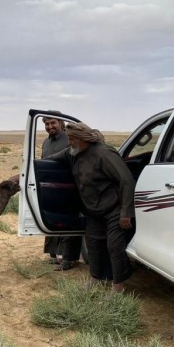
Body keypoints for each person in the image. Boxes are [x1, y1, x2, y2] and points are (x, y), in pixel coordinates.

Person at [46, 122, 135, 292]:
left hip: (114, 209)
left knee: (114, 246)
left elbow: (126, 180)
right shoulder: (73, 154)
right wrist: (26, 170)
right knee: (93, 244)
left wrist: (126, 212)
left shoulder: (104, 153)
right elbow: (50, 160)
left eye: (71, 139)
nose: (68, 142)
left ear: (82, 139)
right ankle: (95, 278)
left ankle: (118, 286)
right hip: (94, 211)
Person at [41, 117, 83, 271]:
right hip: (51, 187)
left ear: (60, 123)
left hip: (69, 187)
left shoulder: (69, 139)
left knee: (68, 222)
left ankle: (69, 259)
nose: (50, 126)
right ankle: (55, 255)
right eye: (46, 124)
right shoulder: (46, 142)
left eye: (53, 123)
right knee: (52, 220)